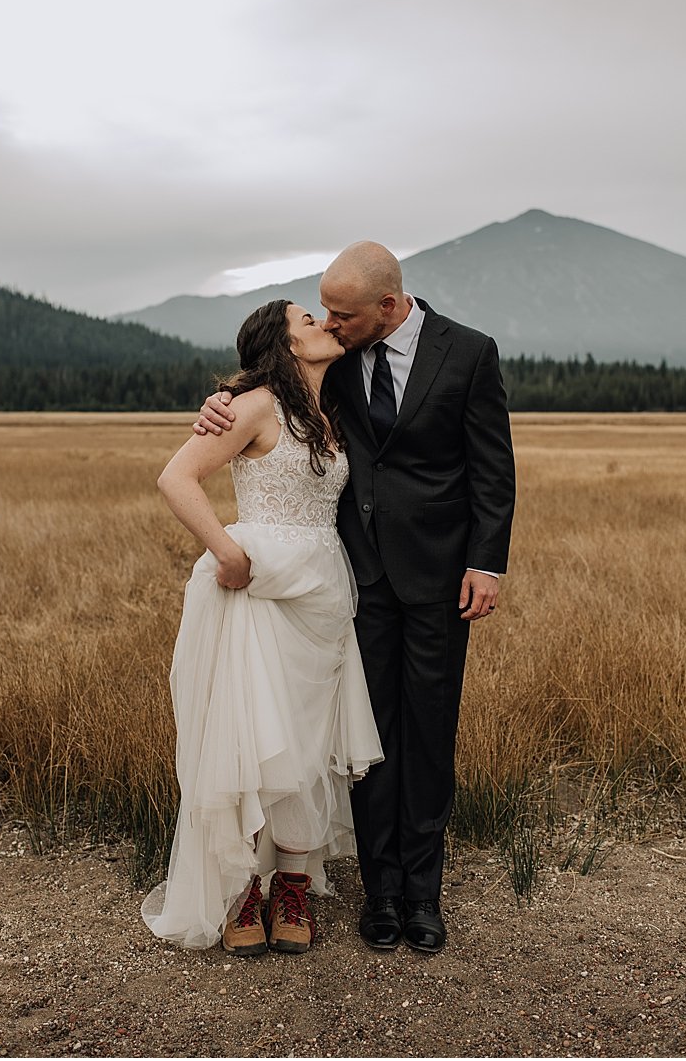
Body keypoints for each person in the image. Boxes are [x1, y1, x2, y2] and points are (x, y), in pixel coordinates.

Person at [194, 242, 516, 953]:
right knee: (366, 744)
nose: (332, 324)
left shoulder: (469, 352)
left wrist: (485, 565)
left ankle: (422, 896)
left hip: (439, 580)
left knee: (430, 734)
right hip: (353, 582)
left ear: (389, 307)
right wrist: (221, 401)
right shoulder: (332, 363)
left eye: (343, 313)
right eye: (324, 312)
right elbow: (271, 389)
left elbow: (492, 466)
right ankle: (381, 892)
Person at [142, 299, 384, 955]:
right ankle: (245, 884)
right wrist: (226, 551)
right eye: (308, 319)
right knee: (255, 732)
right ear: (283, 344)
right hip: (259, 588)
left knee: (307, 736)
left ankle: (295, 884)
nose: (324, 324)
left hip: (322, 591)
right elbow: (177, 475)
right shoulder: (252, 403)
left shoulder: (327, 405)